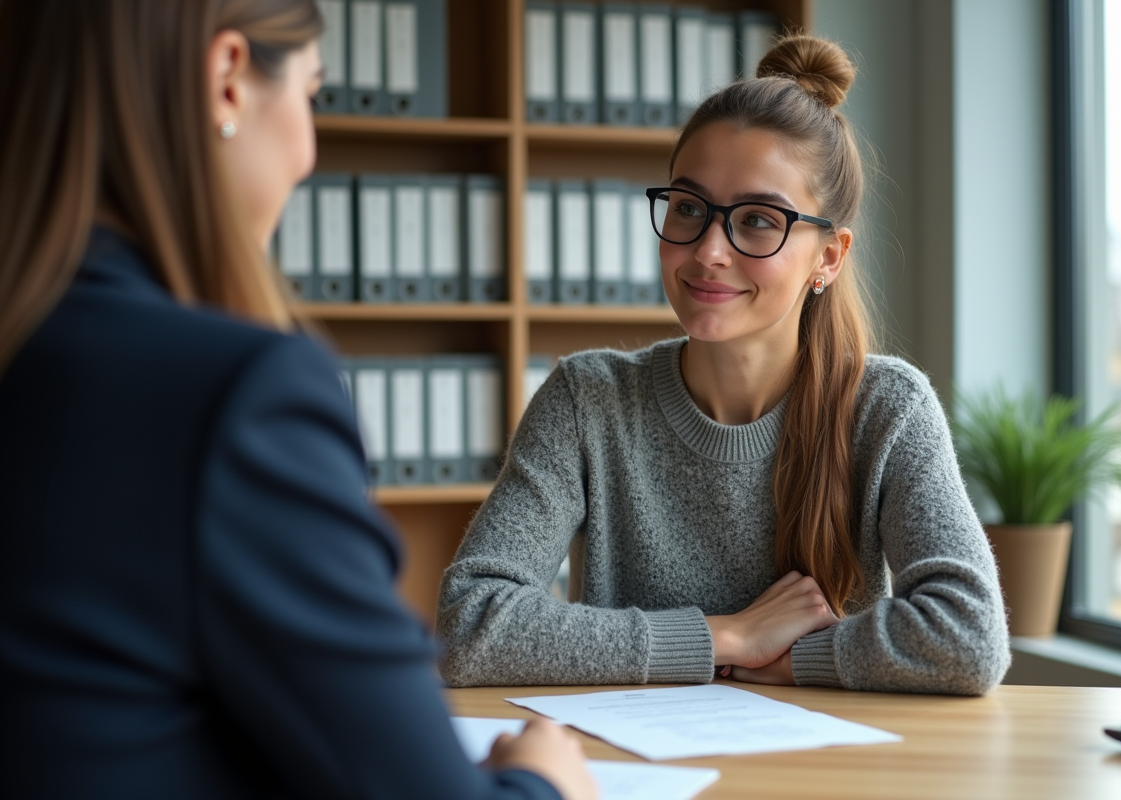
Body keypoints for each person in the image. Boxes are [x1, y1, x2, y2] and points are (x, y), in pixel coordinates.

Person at [0, 2, 594, 799]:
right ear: (226, 82)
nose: (309, 153)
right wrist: (546, 782)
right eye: (312, 95)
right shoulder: (235, 395)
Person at [436, 34, 1011, 696]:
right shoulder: (586, 399)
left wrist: (793, 661)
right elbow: (468, 626)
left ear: (828, 256)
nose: (708, 250)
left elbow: (969, 639)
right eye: (688, 208)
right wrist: (726, 637)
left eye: (758, 220)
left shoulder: (887, 408)